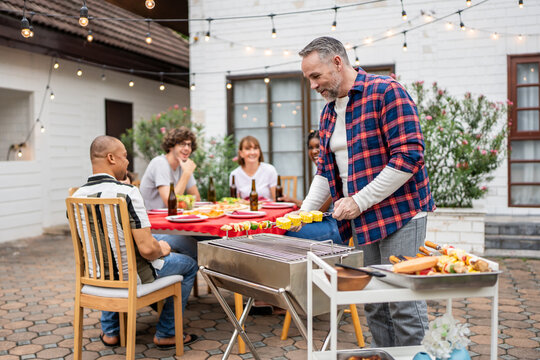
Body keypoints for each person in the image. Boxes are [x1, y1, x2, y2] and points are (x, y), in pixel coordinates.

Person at [292, 37, 435, 348]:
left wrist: (358, 201)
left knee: (402, 303)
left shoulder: (386, 91)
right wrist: (303, 213)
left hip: (402, 213)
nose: (313, 85)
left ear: (338, 63)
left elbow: (409, 155)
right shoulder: (329, 111)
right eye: (308, 79)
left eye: (316, 76)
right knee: (375, 303)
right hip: (364, 219)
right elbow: (326, 173)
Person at [72, 135, 199, 348]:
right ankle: (167, 332)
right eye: (124, 157)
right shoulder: (128, 192)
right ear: (111, 158)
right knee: (189, 265)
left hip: (96, 275)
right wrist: (163, 249)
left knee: (112, 260)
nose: (128, 162)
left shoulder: (77, 196)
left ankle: (111, 331)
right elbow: (148, 250)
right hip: (135, 275)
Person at [140, 127, 201, 259]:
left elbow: (197, 199)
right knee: (195, 248)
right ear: (171, 147)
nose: (187, 148)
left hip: (174, 225)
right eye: (182, 144)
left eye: (189, 145)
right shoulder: (160, 163)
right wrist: (186, 173)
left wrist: (186, 173)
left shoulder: (183, 166)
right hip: (154, 228)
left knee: (212, 238)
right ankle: (190, 272)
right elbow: (170, 203)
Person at [281, 131, 341, 243]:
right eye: (310, 147)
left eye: (318, 147)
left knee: (286, 234)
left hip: (335, 226)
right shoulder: (321, 172)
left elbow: (319, 210)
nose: (314, 151)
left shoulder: (330, 171)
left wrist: (296, 206)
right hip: (324, 222)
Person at [229, 135, 278, 201]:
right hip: (245, 210)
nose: (252, 152)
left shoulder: (270, 170)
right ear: (241, 153)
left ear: (259, 151)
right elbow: (236, 203)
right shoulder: (234, 174)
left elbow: (277, 200)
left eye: (255, 148)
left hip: (268, 209)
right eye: (247, 149)